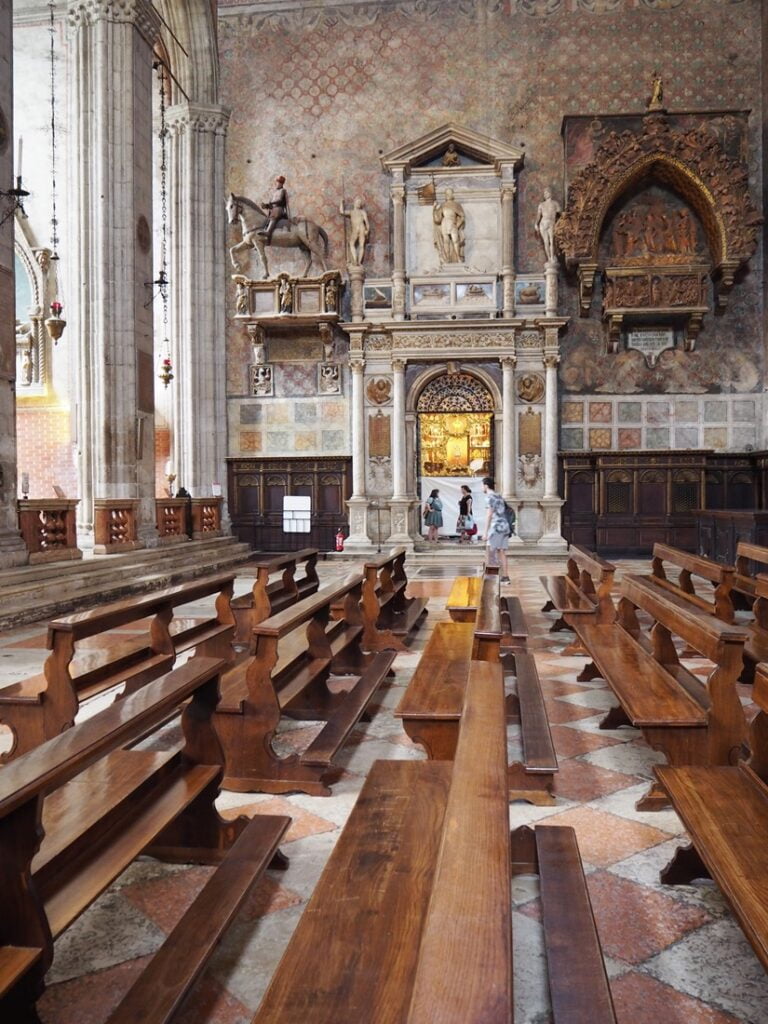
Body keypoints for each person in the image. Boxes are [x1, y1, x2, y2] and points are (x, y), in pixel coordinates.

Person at [481, 477, 510, 582]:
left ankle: (491, 577)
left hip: (496, 527)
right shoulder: (499, 496)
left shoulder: (490, 497)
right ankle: (505, 576)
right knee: (502, 552)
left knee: (491, 552)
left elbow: (489, 514)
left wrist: (485, 532)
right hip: (505, 526)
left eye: (482, 485)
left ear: (485, 485)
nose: (482, 487)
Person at [432, 187, 465, 264]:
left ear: (452, 194)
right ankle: (447, 259)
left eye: (449, 193)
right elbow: (437, 219)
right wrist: (434, 208)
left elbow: (462, 216)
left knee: (455, 240)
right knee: (446, 242)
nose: (448, 194)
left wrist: (457, 225)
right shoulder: (442, 205)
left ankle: (458, 257)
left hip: (452, 223)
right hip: (444, 224)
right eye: (446, 193)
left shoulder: (456, 205)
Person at [339, 196, 370, 265]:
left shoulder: (362, 212)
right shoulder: (351, 212)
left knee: (361, 245)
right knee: (351, 244)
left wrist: (367, 230)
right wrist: (341, 203)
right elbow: (341, 212)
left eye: (359, 203)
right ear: (354, 203)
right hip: (355, 229)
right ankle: (355, 260)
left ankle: (359, 262)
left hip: (361, 228)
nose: (358, 204)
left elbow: (366, 222)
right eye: (357, 202)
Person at [534, 187, 561, 264]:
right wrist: (536, 223)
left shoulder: (555, 203)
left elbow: (560, 213)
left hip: (551, 222)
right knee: (546, 242)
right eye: (544, 193)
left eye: (547, 192)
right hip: (543, 223)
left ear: (550, 193)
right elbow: (538, 216)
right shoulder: (541, 204)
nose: (545, 194)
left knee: (552, 241)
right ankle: (549, 258)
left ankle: (552, 257)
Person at [259, 175, 288, 242]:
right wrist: (266, 206)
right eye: (277, 182)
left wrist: (270, 203)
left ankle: (268, 232)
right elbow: (271, 204)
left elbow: (280, 200)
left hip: (279, 209)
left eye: (278, 182)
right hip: (273, 209)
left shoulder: (282, 190)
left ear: (281, 183)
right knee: (265, 220)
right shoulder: (275, 192)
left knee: (273, 216)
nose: (276, 184)